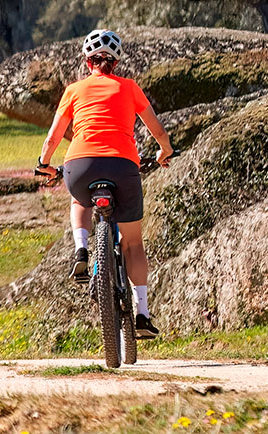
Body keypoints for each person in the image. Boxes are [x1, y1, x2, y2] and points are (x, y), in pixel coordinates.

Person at [33, 29, 174, 340]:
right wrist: (164, 152)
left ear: (88, 63)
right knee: (133, 242)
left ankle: (82, 251)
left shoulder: (73, 90)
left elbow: (53, 137)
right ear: (116, 63)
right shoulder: (129, 87)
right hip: (124, 165)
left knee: (79, 199)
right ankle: (142, 314)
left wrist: (44, 164)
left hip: (80, 166)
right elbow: (158, 131)